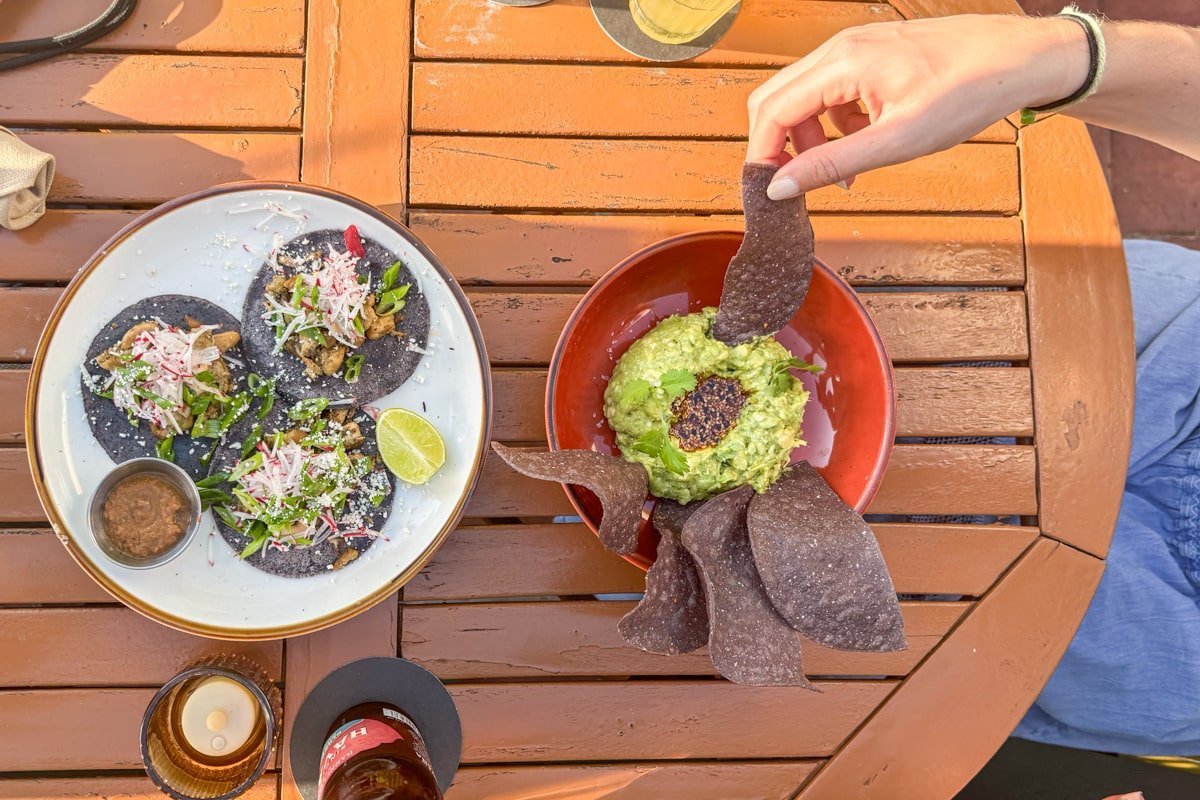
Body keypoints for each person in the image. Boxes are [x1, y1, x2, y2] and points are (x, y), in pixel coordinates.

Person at [746, 9, 1200, 757]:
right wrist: (1057, 57)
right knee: (849, 329)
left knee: (754, 591)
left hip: (1163, 637)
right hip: (1161, 345)